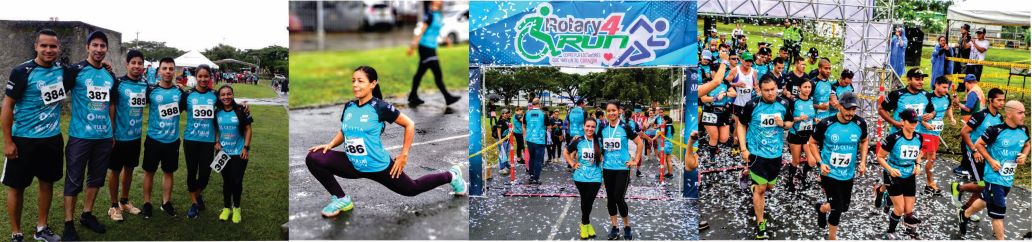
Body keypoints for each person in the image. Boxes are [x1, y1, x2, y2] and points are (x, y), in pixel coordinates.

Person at [306, 66, 466, 218]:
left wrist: (403, 155)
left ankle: (452, 175)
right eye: (353, 81)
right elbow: (344, 130)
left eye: (360, 81)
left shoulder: (380, 107)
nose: (355, 85)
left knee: (412, 189)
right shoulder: (349, 106)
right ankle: (341, 199)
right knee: (314, 157)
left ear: (373, 84)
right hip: (353, 164)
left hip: (378, 166)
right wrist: (330, 145)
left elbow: (409, 124)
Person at [2, 29, 65, 242]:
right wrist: (8, 141)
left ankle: (41, 228)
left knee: (47, 183)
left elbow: (86, 68)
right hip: (23, 140)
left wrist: (106, 66)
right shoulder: (22, 71)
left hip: (52, 139)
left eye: (53, 46)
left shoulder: (63, 70)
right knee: (16, 187)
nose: (48, 49)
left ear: (58, 48)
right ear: (36, 46)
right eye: (44, 45)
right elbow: (7, 106)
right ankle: (16, 233)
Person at [60, 31, 118, 239]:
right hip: (80, 136)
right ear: (87, 47)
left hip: (103, 137)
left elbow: (111, 104)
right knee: (74, 179)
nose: (99, 49)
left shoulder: (110, 76)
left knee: (96, 178)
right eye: (95, 45)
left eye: (102, 46)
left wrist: (111, 132)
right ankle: (68, 223)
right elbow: (57, 90)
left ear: (106, 49)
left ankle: (87, 214)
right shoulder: (76, 71)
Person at [958, 101, 1029, 240]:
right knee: (998, 213)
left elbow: (1027, 145)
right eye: (1020, 113)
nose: (1024, 116)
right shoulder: (995, 130)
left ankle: (965, 214)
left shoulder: (1024, 130)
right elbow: (979, 144)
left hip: (1008, 178)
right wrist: (991, 160)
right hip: (993, 177)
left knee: (985, 200)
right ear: (1009, 114)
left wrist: (1024, 155)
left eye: (1024, 112)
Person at [806, 92, 869, 240]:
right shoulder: (826, 124)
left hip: (848, 173)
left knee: (843, 206)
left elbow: (864, 140)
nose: (851, 113)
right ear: (839, 106)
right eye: (848, 109)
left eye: (854, 109)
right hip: (829, 172)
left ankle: (822, 208)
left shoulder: (860, 123)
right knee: (838, 208)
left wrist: (863, 161)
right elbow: (812, 143)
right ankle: (832, 238)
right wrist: (820, 163)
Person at [737, 76, 793, 239]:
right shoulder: (752, 105)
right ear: (760, 90)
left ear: (777, 88)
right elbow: (741, 124)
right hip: (756, 153)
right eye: (766, 90)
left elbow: (790, 122)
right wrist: (743, 149)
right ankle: (761, 223)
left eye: (773, 89)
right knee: (761, 189)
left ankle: (746, 174)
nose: (770, 93)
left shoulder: (784, 104)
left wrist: (783, 124)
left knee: (770, 186)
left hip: (775, 153)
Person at [875, 68, 934, 209]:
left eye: (922, 79)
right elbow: (881, 109)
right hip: (897, 138)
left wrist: (931, 115)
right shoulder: (897, 94)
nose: (921, 82)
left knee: (905, 171)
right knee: (895, 168)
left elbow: (932, 110)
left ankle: (883, 191)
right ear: (909, 80)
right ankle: (886, 193)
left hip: (915, 137)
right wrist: (894, 123)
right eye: (917, 79)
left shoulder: (926, 95)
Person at [142, 57, 187, 218]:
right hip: (153, 139)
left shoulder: (180, 92)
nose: (168, 71)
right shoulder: (151, 90)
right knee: (149, 172)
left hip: (172, 140)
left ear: (174, 71)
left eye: (171, 69)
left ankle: (166, 202)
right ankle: (147, 203)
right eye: (165, 68)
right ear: (159, 71)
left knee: (169, 172)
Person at [107, 50, 149, 222]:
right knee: (115, 171)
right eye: (133, 63)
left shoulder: (145, 85)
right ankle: (113, 205)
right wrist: (111, 132)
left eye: (140, 63)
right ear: (127, 64)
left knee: (130, 169)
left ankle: (124, 201)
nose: (137, 66)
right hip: (118, 137)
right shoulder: (118, 83)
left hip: (135, 137)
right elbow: (111, 106)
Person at [951, 88, 1005, 218]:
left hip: (986, 153)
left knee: (984, 185)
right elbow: (964, 132)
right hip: (973, 151)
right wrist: (974, 150)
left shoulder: (999, 117)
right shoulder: (980, 115)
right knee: (982, 184)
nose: (1002, 103)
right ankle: (958, 188)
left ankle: (965, 210)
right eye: (999, 100)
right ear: (991, 100)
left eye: (1003, 100)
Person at [596, 101, 643, 240]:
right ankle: (615, 227)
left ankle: (627, 226)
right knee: (610, 198)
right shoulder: (603, 127)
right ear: (606, 112)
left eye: (614, 110)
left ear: (619, 111)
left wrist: (635, 160)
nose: (611, 113)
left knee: (618, 197)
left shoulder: (625, 127)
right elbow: (597, 143)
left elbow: (639, 142)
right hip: (607, 168)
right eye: (609, 111)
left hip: (622, 168)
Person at [878, 109, 926, 237]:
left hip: (909, 174)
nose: (914, 125)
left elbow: (918, 154)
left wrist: (918, 165)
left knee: (908, 210)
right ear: (903, 122)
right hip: (894, 173)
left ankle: (887, 196)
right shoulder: (893, 138)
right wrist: (890, 169)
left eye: (915, 122)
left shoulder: (919, 137)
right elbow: (880, 157)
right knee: (899, 209)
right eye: (911, 122)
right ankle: (890, 232)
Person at [406, 0, 460, 106]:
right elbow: (421, 30)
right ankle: (447, 97)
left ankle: (412, 95)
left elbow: (437, 29)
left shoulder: (438, 15)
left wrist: (445, 39)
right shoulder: (429, 15)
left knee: (420, 72)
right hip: (425, 46)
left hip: (432, 47)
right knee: (437, 72)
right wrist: (413, 45)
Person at [213, 85, 254, 223]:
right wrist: (216, 141)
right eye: (223, 95)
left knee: (236, 181)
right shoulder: (217, 112)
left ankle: (236, 208)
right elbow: (216, 128)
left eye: (229, 94)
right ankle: (226, 208)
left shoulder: (241, 110)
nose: (226, 97)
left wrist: (245, 148)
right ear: (219, 97)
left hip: (239, 152)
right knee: (226, 181)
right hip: (223, 153)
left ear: (233, 95)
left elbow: (248, 129)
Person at [182, 65, 218, 218]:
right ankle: (195, 203)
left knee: (205, 174)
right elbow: (174, 108)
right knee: (192, 171)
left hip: (208, 141)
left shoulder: (215, 95)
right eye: (200, 76)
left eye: (206, 76)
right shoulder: (187, 95)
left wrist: (243, 106)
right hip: (191, 140)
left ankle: (197, 195)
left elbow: (229, 106)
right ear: (196, 77)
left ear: (210, 77)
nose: (203, 79)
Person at [564, 118, 602, 239]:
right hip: (580, 176)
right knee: (585, 200)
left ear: (595, 128)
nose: (590, 129)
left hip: (595, 176)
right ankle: (586, 224)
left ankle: (585, 223)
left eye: (592, 127)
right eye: (588, 126)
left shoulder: (599, 141)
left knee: (589, 200)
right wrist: (572, 163)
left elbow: (605, 155)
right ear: (583, 127)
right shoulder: (578, 140)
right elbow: (566, 152)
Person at [917, 77, 956, 195]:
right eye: (944, 87)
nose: (946, 90)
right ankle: (929, 182)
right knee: (929, 157)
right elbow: (918, 114)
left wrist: (951, 118)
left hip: (936, 133)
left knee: (927, 157)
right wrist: (925, 123)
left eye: (947, 88)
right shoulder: (928, 97)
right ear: (936, 85)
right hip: (925, 132)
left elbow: (949, 107)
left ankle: (927, 182)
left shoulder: (947, 97)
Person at [786, 79, 815, 193]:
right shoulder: (794, 101)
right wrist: (798, 118)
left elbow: (812, 116)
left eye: (809, 87)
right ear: (799, 88)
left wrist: (815, 120)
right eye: (805, 87)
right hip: (796, 135)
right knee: (796, 161)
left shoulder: (811, 100)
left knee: (812, 161)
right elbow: (787, 119)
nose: (807, 89)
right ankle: (790, 181)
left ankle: (803, 175)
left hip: (808, 135)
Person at [700, 78, 735, 165]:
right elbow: (703, 99)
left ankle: (713, 144)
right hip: (709, 112)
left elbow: (734, 93)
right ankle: (712, 155)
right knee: (714, 137)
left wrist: (724, 93)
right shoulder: (706, 81)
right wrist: (715, 98)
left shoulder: (725, 82)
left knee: (724, 139)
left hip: (723, 112)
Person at [524, 98, 547, 184]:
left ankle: (531, 176)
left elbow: (524, 125)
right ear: (539, 104)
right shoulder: (543, 114)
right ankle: (536, 178)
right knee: (538, 160)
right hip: (539, 140)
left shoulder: (527, 113)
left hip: (530, 139)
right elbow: (548, 126)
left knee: (532, 158)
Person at [495, 110, 513, 175]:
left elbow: (510, 129)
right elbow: (498, 131)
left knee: (506, 152)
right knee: (502, 153)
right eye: (505, 113)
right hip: (502, 140)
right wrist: (500, 140)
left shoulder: (507, 120)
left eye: (507, 113)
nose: (507, 114)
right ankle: (502, 168)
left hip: (507, 140)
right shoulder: (500, 121)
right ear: (502, 114)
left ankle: (506, 164)